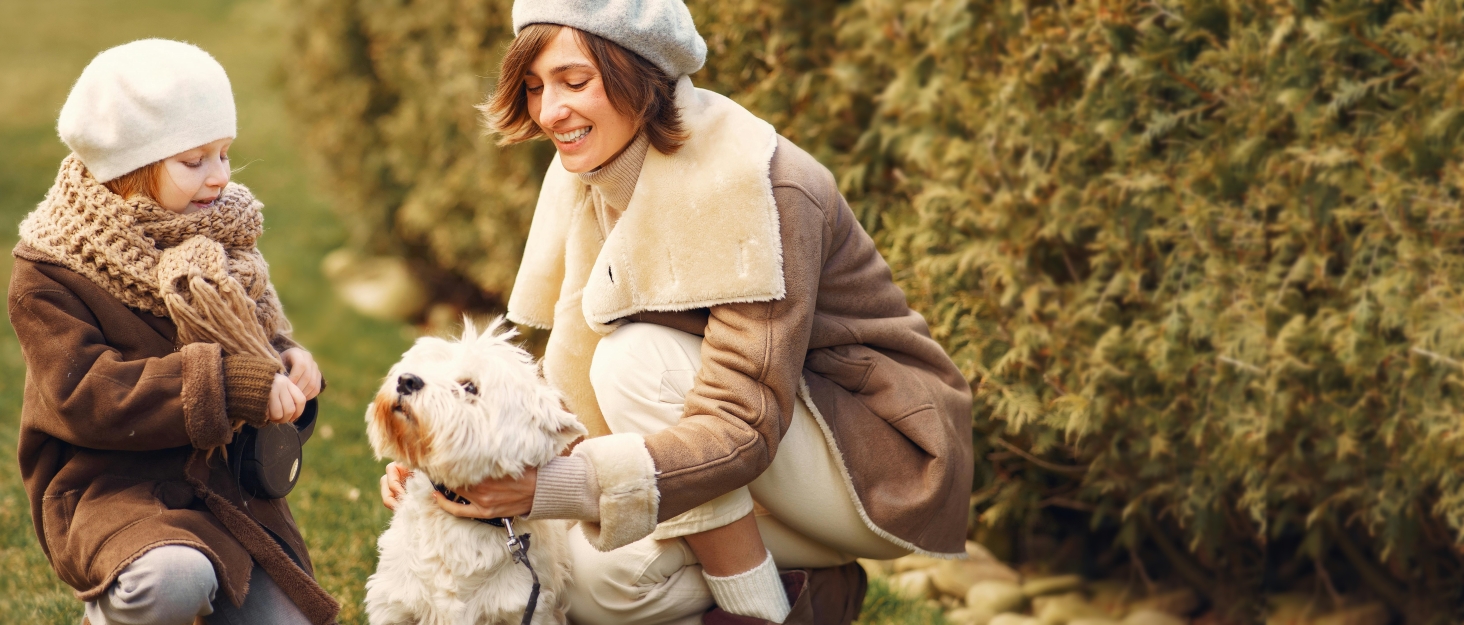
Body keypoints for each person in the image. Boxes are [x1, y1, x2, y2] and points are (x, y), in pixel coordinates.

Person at [380, 1, 974, 623]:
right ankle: (815, 589)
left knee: (634, 360)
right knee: (594, 585)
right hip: (757, 464)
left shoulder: (756, 184)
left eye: (574, 82)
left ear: (641, 72)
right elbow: (565, 384)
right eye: (534, 88)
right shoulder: (595, 175)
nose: (549, 111)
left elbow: (742, 421)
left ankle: (762, 613)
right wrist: (443, 454)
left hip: (876, 463)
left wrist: (550, 487)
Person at [10, 39, 337, 625]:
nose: (218, 178)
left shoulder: (220, 235)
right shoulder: (49, 270)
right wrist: (229, 385)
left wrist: (287, 363)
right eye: (194, 161)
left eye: (224, 154)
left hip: (226, 489)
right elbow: (87, 394)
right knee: (174, 581)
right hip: (114, 489)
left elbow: (255, 335)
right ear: (127, 170)